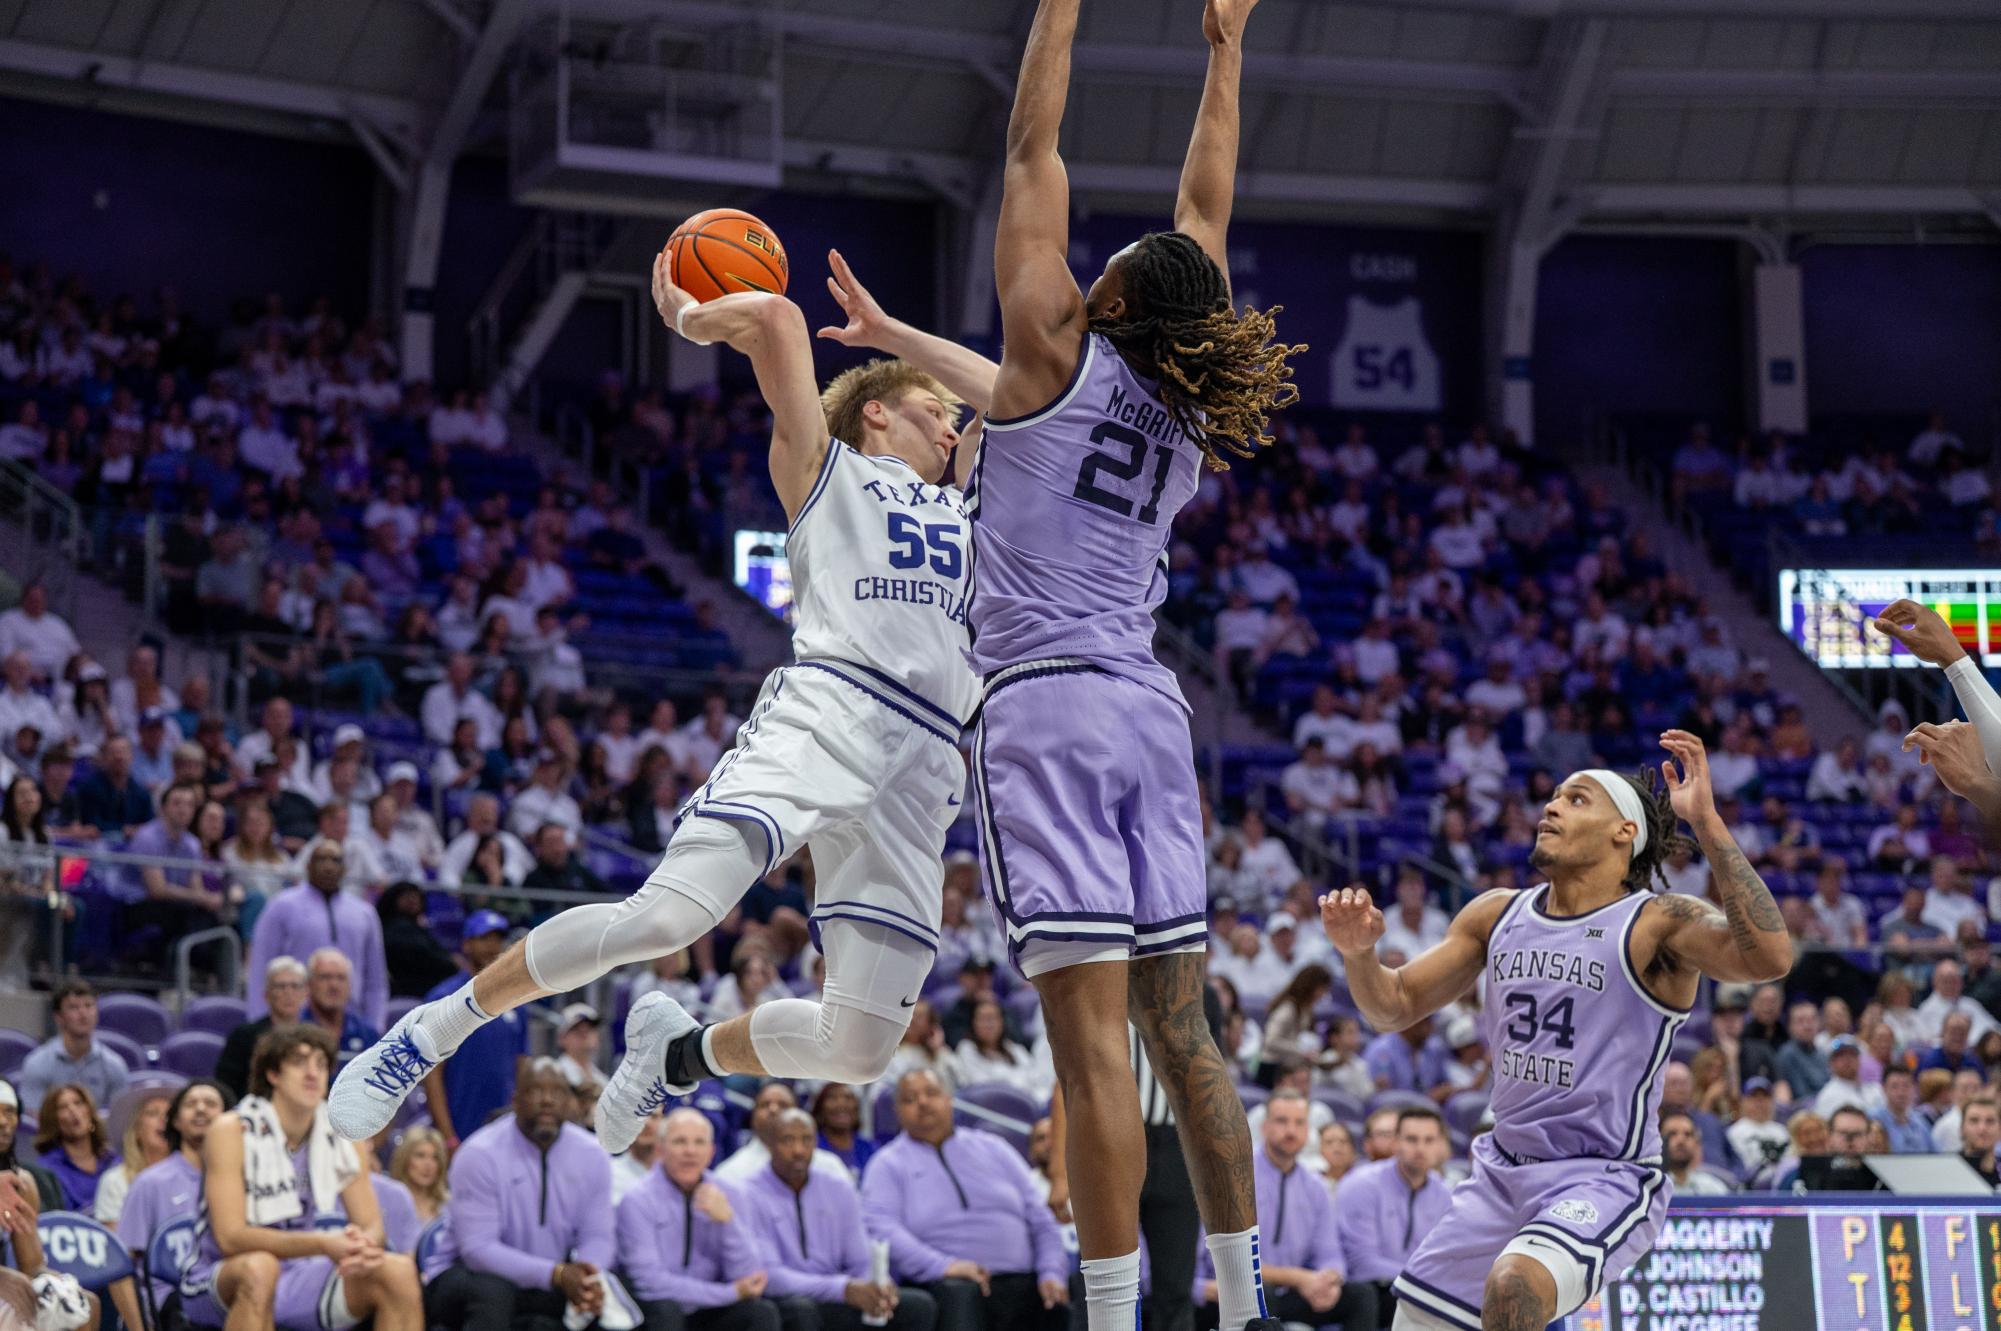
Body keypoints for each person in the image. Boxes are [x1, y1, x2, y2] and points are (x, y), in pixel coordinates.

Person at [830, 2, 1298, 1325]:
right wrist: (1225, 48)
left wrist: (1058, 7)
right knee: (1184, 1033)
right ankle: (1242, 1305)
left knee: (1088, 1052)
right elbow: (1206, 210)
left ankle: (1108, 1317)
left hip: (1041, 705)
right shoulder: (1187, 397)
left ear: (1104, 302)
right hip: (1154, 710)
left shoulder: (1050, 349)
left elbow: (1032, 148)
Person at [335, 246, 982, 1165]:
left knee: (863, 1046)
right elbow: (778, 321)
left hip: (928, 760)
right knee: (665, 921)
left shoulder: (971, 508)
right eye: (932, 413)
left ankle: (678, 1050)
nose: (951, 432)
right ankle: (431, 1029)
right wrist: (688, 317)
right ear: (876, 409)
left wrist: (903, 338)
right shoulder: (828, 470)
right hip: (832, 713)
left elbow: (1011, 395)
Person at [1321, 735, 1792, 1331]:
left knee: (1515, 1284)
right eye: (1552, 796)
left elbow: (1770, 957)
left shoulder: (1655, 922)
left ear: (1624, 831)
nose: (1551, 806)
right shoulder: (1496, 912)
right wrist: (1359, 956)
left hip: (1603, 1174)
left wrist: (1706, 822)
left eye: (1576, 799)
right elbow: (1394, 1007)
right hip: (1501, 1170)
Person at [180, 1025, 422, 1331]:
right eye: (300, 1062)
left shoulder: (341, 1133)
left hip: (298, 1271)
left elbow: (372, 1225)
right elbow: (230, 1238)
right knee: (260, 1267)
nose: (313, 1073)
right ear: (273, 1075)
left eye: (321, 1064)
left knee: (397, 1271)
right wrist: (323, 1243)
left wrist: (360, 1247)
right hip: (218, 1273)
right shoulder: (231, 1130)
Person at [860, 1070, 1068, 1331]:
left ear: (950, 1099)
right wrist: (943, 1266)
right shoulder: (887, 1163)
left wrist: (1051, 1272)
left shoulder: (994, 1147)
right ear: (897, 1112)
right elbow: (881, 1229)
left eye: (932, 1093)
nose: (923, 1102)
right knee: (959, 1295)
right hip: (950, 1285)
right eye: (910, 1099)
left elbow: (1041, 1218)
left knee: (1067, 1291)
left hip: (1024, 1282)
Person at [420, 1061, 615, 1331]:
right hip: (463, 1276)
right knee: (493, 1292)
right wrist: (556, 1274)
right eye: (535, 1091)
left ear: (570, 1102)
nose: (547, 1101)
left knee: (604, 1299)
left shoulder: (593, 1155)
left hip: (545, 1279)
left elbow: (598, 1235)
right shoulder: (479, 1153)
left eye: (557, 1092)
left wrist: (587, 1275)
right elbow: (478, 1250)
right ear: (516, 1100)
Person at [738, 1108, 937, 1330]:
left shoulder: (838, 1188)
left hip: (836, 1295)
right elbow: (770, 1277)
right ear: (770, 1145)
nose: (798, 1150)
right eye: (788, 1140)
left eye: (807, 1140)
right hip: (790, 1299)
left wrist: (875, 1286)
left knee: (918, 1305)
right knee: (801, 1311)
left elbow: (860, 1261)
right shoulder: (748, 1194)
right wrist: (843, 1288)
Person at [1195, 1089, 1374, 1330]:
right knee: (1261, 1295)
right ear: (1265, 1127)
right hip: (1234, 1293)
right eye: (1282, 1121)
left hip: (1293, 1293)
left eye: (1299, 1123)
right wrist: (1300, 1278)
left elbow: (1330, 1254)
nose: (1291, 1131)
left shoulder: (1315, 1187)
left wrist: (1328, 1280)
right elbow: (1231, 1264)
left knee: (1361, 1295)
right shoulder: (1235, 1177)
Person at [614, 1108, 776, 1331]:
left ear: (711, 1152)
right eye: (680, 1141)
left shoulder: (732, 1193)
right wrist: (729, 1293)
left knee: (761, 1312)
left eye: (699, 1142)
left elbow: (751, 1277)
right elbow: (650, 1283)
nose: (690, 1151)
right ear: (660, 1149)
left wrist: (728, 1222)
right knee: (666, 1311)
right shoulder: (637, 1200)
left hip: (709, 1310)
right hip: (658, 1308)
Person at [247, 840, 390, 1029]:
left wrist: (375, 1026)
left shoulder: (365, 913)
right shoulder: (281, 906)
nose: (328, 866)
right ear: (308, 866)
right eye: (321, 859)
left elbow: (376, 979)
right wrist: (262, 1023)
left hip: (350, 1022)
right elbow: (260, 968)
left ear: (345, 869)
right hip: (293, 1021)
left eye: (335, 860)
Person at [416, 912, 528, 1150]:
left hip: (504, 1130)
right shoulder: (442, 999)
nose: (492, 946)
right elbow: (432, 1074)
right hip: (458, 1125)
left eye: (497, 939)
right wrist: (447, 1135)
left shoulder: (517, 999)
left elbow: (521, 1067)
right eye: (484, 938)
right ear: (466, 944)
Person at [118, 1079, 228, 1314]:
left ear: (229, 1118)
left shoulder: (247, 1180)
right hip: (171, 1301)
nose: (200, 1109)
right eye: (191, 1103)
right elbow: (122, 1268)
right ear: (175, 1121)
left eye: (210, 1103)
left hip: (227, 1289)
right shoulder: (150, 1183)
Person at [1335, 1108, 1452, 1323]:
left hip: (1422, 1291)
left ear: (1440, 1145)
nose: (1420, 1148)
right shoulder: (1361, 1184)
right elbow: (1362, 1263)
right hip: (1375, 1291)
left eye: (1429, 1140)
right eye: (1411, 1139)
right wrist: (1425, 1281)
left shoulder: (1446, 1195)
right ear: (1395, 1142)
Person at [16, 980, 129, 1110]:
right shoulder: (36, 1063)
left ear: (97, 1013)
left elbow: (119, 1119)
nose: (83, 1013)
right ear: (58, 1017)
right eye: (73, 1007)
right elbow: (32, 1117)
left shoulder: (115, 1065)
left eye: (88, 1006)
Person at [713, 1083, 844, 1187]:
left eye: (783, 1105)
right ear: (753, 1114)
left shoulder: (830, 1166)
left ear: (798, 1112)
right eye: (765, 1105)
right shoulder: (730, 1174)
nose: (773, 1109)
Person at [94, 1084, 175, 1228]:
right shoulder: (114, 1181)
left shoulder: (195, 1176)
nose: (164, 1119)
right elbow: (117, 1245)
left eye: (170, 1115)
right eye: (153, 1113)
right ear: (137, 1130)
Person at [34, 1084, 118, 1211]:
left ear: (89, 1111)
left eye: (78, 1103)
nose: (73, 1110)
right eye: (63, 1107)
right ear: (53, 1120)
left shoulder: (114, 1160)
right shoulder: (45, 1170)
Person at [808, 1085, 875, 1181]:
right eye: (833, 1098)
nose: (841, 1104)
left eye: (848, 1098)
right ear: (820, 1107)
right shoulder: (812, 1146)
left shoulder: (869, 1148)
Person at [1658, 1111, 1731, 1197]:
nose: (1681, 1140)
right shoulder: (1650, 1187)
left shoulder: (1713, 1188)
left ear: (1696, 1143)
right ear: (1658, 1140)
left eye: (1688, 1134)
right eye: (1672, 1134)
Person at [387, 1127, 448, 1225]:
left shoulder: (449, 1206)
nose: (428, 1165)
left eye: (435, 1158)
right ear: (405, 1159)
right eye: (420, 1155)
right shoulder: (387, 1203)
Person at [1959, 1093, 2001, 1187]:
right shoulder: (1947, 1168)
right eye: (1974, 1120)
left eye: (1990, 1121)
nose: (1982, 1128)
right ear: (1962, 1129)